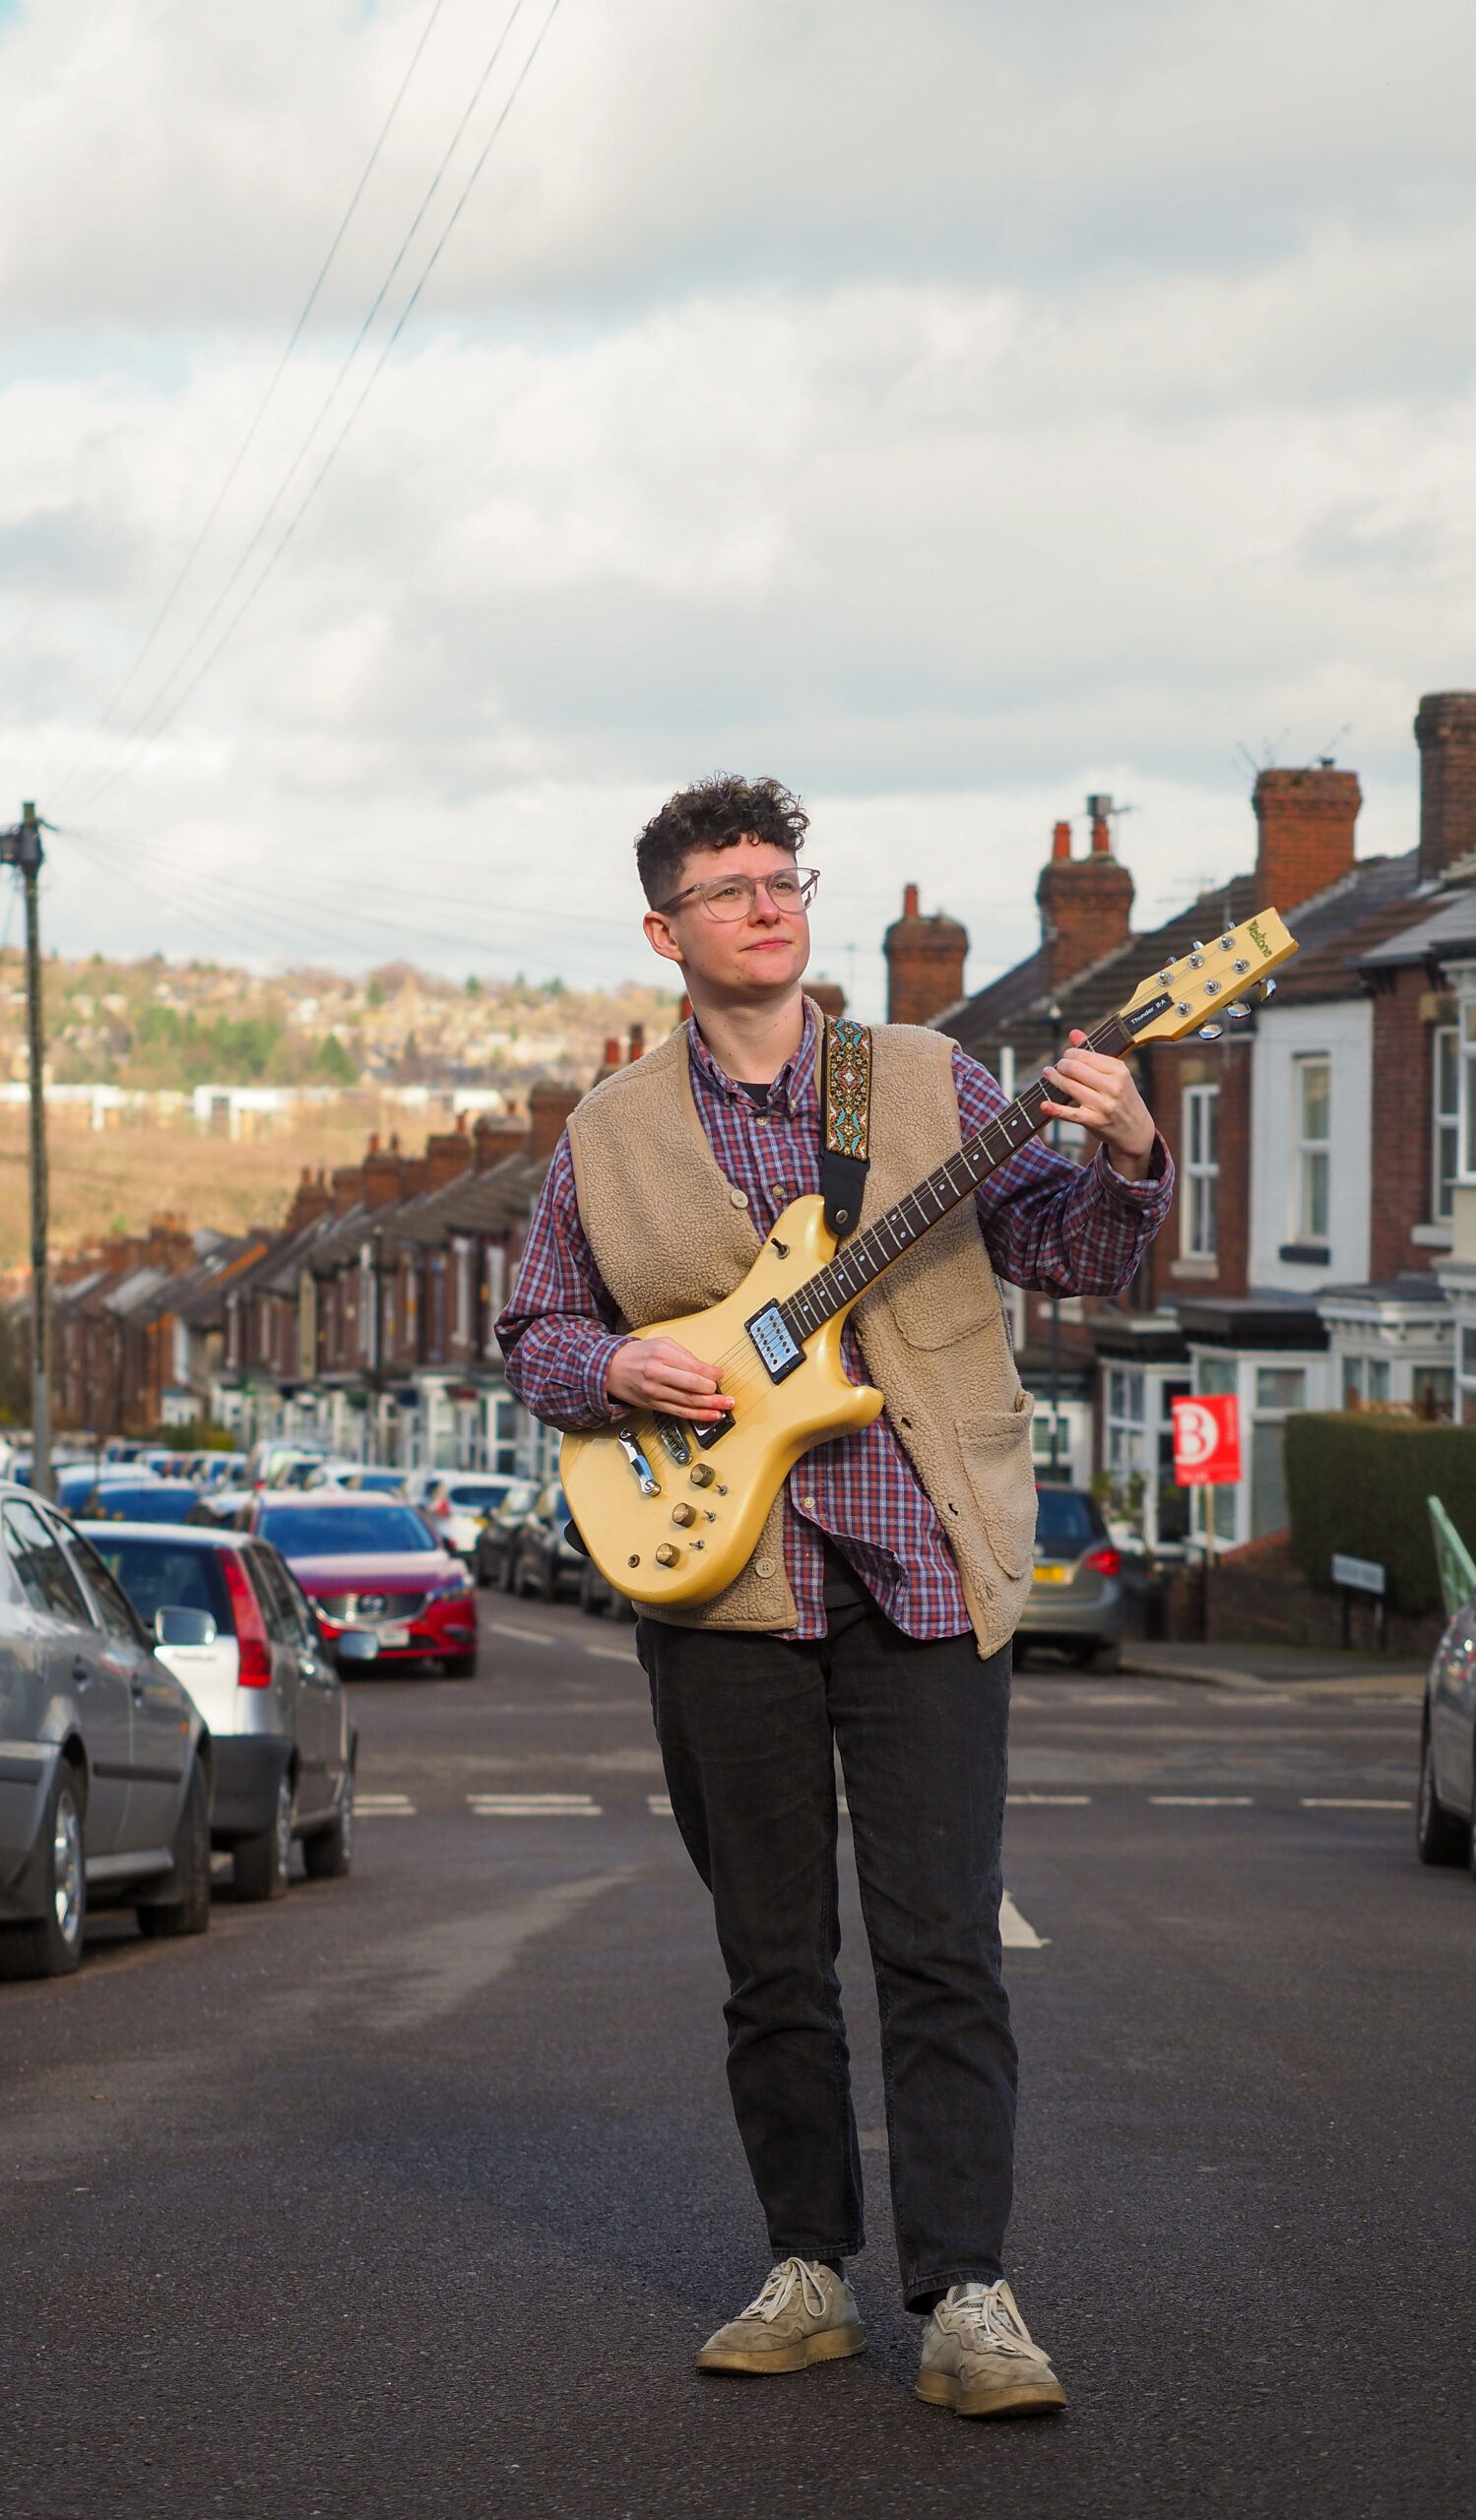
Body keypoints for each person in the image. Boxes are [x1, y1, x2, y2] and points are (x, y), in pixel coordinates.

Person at [497, 776, 1173, 2418]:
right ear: (666, 932)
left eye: (782, 876)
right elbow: (529, 1338)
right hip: (722, 1585)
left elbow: (1074, 1259)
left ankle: (966, 2297)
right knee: (772, 1962)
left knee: (944, 1950)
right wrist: (619, 1360)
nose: (767, 903)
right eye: (727, 888)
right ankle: (807, 2267)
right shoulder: (608, 1135)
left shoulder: (930, 1081)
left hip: (924, 1562)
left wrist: (1136, 1151)